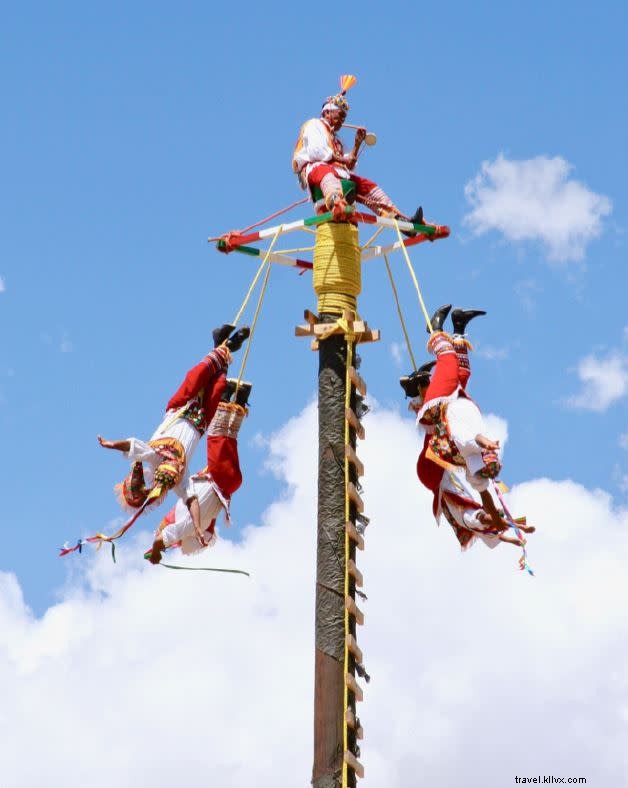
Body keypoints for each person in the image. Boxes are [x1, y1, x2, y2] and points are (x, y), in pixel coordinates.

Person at [400, 305, 535, 550]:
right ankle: (459, 327)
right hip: (447, 435)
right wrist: (508, 528)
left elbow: (481, 518)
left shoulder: (464, 512)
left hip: (435, 457)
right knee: (461, 376)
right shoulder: (477, 482)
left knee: (449, 362)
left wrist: (494, 521)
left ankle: (435, 329)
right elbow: (489, 509)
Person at [97, 324, 250, 538]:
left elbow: (132, 444)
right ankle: (223, 342)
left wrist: (110, 444)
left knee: (198, 375)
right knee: (218, 385)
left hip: (180, 408)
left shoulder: (154, 457)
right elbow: (192, 500)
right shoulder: (180, 482)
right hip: (201, 421)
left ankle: (222, 345)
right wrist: (197, 527)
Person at [292, 76, 425, 225]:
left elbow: (348, 165)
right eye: (340, 115)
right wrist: (343, 160)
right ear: (327, 113)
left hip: (336, 172)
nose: (342, 121)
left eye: (344, 117)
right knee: (325, 171)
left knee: (366, 184)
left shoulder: (337, 140)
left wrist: (357, 144)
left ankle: (398, 218)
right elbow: (317, 152)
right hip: (315, 171)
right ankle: (337, 202)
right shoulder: (314, 124)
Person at [147, 379, 252, 564]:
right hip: (219, 479)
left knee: (229, 438)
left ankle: (242, 396)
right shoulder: (186, 526)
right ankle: (227, 393)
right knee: (217, 435)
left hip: (230, 483)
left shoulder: (194, 518)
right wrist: (156, 552)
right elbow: (159, 540)